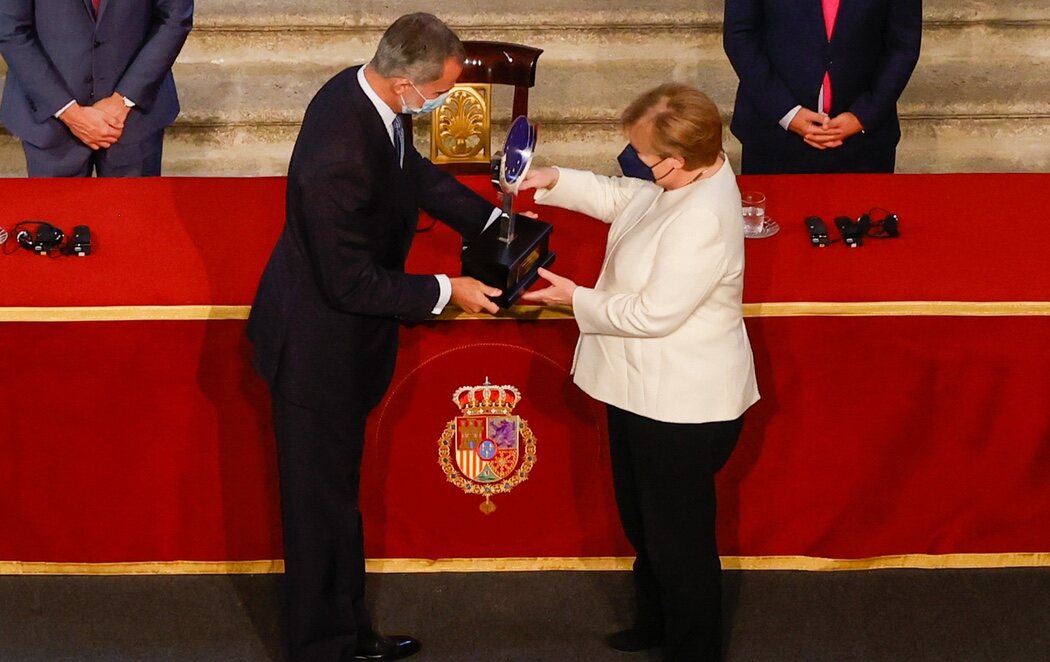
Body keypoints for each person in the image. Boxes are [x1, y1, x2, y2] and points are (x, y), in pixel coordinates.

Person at [246, 13, 503, 662]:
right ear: (401, 81)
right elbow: (350, 284)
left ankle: (350, 634)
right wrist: (449, 291)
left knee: (336, 506)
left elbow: (410, 173)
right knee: (317, 516)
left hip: (344, 345)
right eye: (440, 90)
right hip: (314, 351)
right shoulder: (338, 153)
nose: (446, 101)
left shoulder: (366, 95)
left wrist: (491, 223)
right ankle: (321, 647)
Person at [519, 83, 760, 661]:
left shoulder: (703, 217)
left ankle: (692, 647)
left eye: (642, 154)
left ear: (676, 160)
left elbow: (651, 315)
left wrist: (569, 298)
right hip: (643, 391)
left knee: (680, 542)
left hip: (682, 406)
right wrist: (553, 179)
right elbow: (627, 199)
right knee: (645, 523)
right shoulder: (684, 179)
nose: (636, 163)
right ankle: (656, 622)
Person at [723, 0, 922, 174]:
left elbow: (903, 46)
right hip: (773, 137)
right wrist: (787, 113)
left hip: (863, 143)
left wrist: (863, 115)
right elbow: (739, 36)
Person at [0, 0, 193, 177]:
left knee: (131, 213)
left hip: (131, 117)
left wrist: (123, 100)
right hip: (50, 117)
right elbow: (10, 29)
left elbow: (174, 19)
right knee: (55, 213)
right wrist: (68, 111)